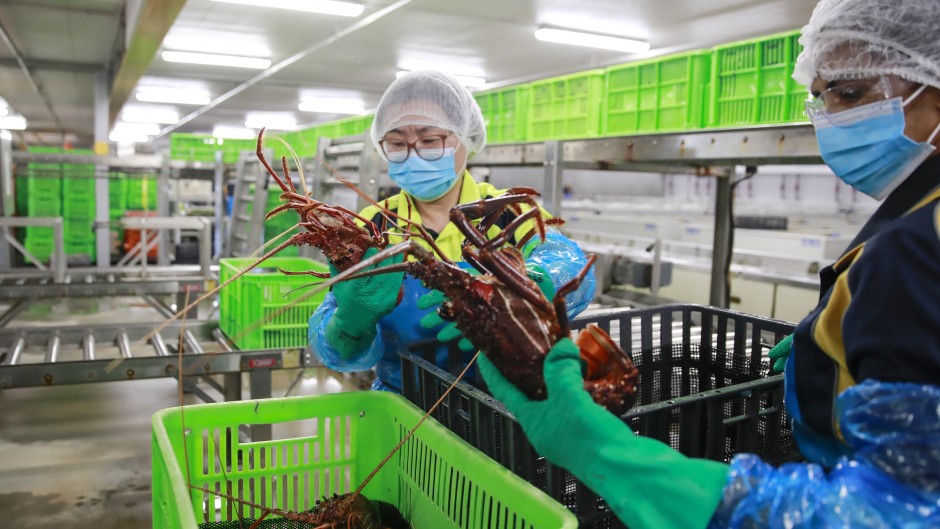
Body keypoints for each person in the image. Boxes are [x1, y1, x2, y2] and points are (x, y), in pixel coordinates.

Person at [479, 0, 940, 527]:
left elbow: (892, 512)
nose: (830, 117)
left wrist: (600, 449)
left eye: (851, 93)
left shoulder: (918, 248)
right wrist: (827, 351)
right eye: (821, 98)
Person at [308, 70, 596, 392]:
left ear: (465, 138)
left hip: (510, 401)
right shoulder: (371, 225)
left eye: (430, 141)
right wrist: (351, 322)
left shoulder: (509, 210)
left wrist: (525, 285)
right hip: (405, 404)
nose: (414, 153)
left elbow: (573, 272)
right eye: (397, 143)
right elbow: (336, 351)